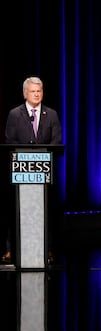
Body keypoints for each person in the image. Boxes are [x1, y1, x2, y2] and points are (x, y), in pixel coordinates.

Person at [2, 76, 62, 265]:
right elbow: (10, 141)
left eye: (39, 91)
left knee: (47, 212)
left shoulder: (51, 114)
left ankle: (48, 249)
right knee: (15, 211)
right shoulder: (14, 114)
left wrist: (43, 155)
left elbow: (56, 141)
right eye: (33, 91)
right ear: (25, 93)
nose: (37, 94)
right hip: (21, 172)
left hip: (44, 172)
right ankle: (10, 250)